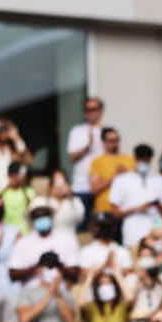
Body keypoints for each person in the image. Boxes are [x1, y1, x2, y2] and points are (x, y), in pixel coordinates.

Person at [66, 96, 107, 225]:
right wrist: (87, 146)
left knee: (103, 226)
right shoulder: (77, 131)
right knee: (81, 225)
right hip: (81, 186)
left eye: (94, 109)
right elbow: (72, 157)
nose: (91, 113)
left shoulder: (108, 131)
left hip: (103, 186)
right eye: (87, 110)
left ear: (101, 111)